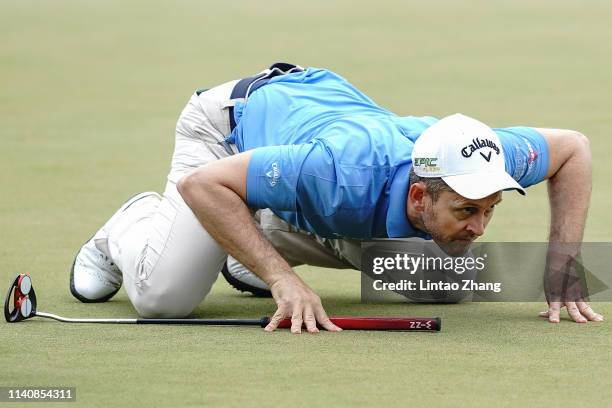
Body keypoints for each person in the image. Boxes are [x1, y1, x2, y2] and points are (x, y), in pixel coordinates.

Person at [69, 63, 603, 333]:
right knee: (165, 300)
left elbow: (572, 149)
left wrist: (563, 259)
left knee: (442, 282)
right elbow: (203, 184)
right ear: (420, 196)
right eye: (467, 210)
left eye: (490, 209)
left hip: (307, 142)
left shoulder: (482, 154)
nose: (481, 227)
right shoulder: (339, 173)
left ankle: (252, 249)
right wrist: (285, 280)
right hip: (225, 131)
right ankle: (128, 226)